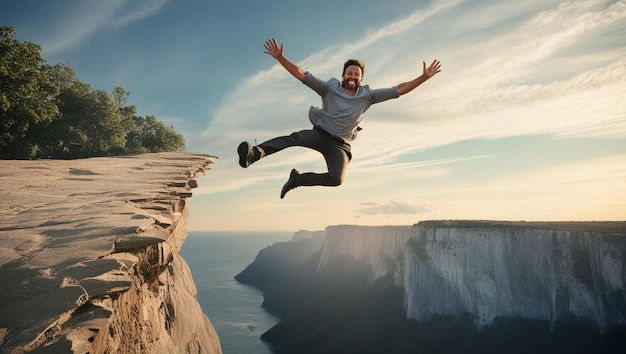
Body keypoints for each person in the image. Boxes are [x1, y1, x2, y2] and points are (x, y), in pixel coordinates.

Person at [238, 38, 441, 199]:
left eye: (357, 74)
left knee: (336, 179)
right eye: (349, 73)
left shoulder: (368, 96)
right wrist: (280, 58)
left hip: (340, 145)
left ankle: (297, 180)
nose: (352, 76)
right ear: (343, 76)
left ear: (361, 79)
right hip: (320, 133)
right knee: (295, 138)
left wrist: (424, 77)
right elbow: (302, 74)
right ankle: (256, 154)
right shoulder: (329, 88)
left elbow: (400, 89)